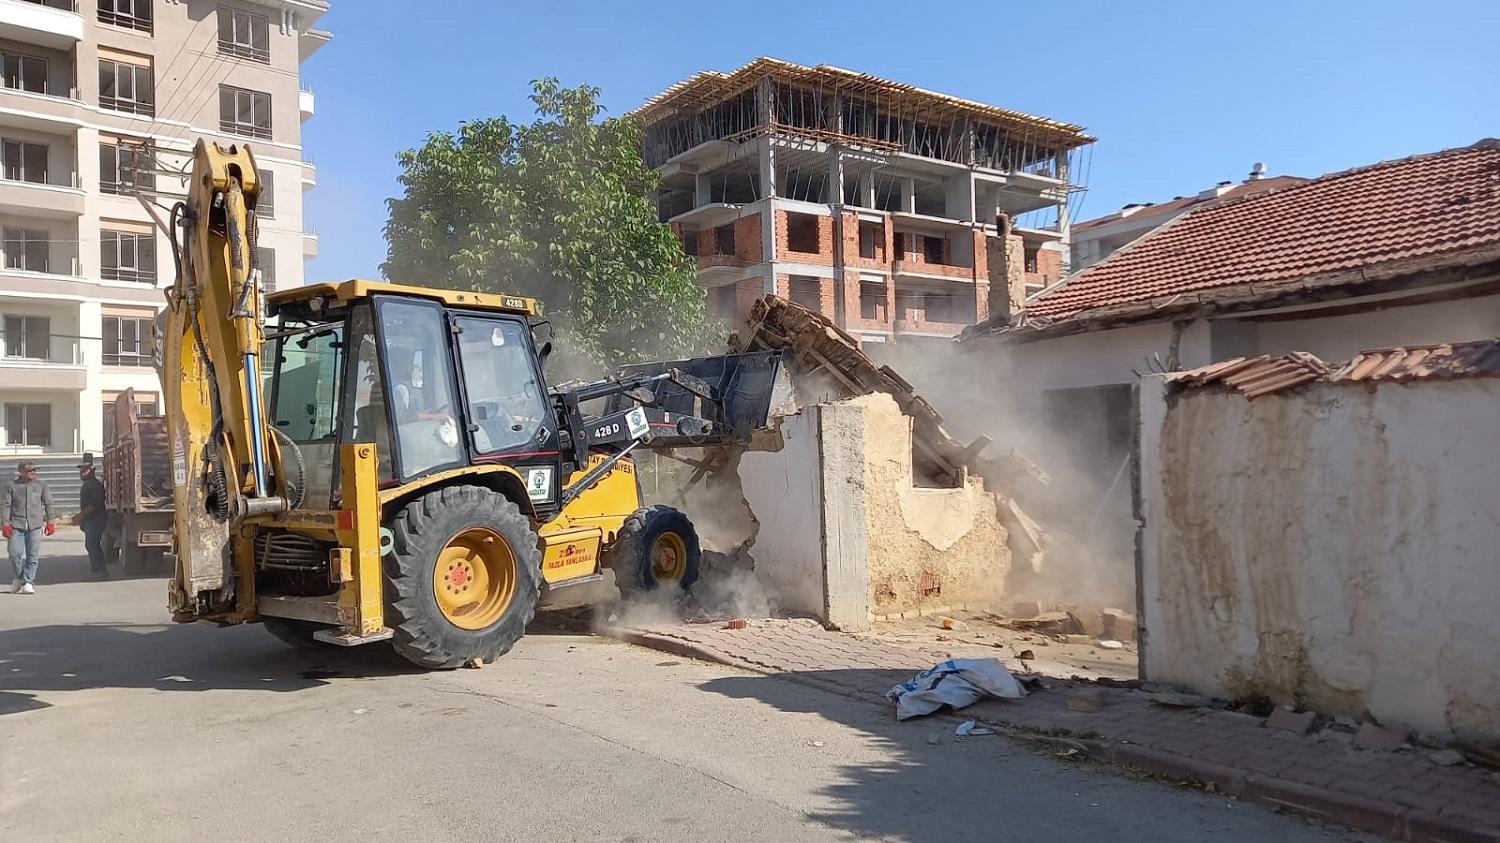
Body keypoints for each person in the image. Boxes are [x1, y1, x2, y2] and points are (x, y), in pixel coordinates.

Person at [3, 460, 56, 594]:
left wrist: (50, 522)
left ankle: (28, 582)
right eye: (29, 470)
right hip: (16, 524)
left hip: (35, 525)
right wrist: (5, 524)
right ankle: (19, 577)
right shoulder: (11, 486)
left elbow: (48, 503)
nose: (33, 472)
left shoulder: (42, 485)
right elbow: (5, 505)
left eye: (34, 470)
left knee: (32, 555)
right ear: (21, 472)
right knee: (14, 553)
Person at [77, 453, 109, 580]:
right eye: (81, 470)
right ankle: (97, 569)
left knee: (92, 544)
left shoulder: (94, 485)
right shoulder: (88, 484)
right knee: (91, 544)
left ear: (92, 471)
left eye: (85, 470)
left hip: (96, 518)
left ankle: (100, 571)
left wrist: (81, 515)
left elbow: (95, 504)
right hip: (90, 519)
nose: (82, 473)